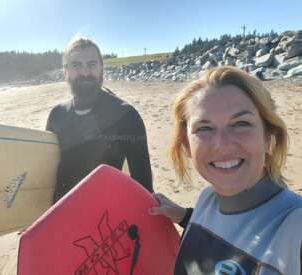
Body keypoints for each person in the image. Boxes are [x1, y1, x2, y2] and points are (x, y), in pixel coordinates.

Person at [149, 66, 302, 274]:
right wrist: (185, 217)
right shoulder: (207, 199)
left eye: (241, 123)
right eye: (204, 128)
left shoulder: (293, 226)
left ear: (269, 139)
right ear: (187, 146)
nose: (222, 144)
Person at [46, 37, 153, 202]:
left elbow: (144, 187)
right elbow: (47, 168)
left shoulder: (126, 116)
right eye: (76, 65)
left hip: (103, 218)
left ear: (102, 68)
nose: (85, 72)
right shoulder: (57, 115)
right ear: (65, 71)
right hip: (62, 213)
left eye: (92, 64)